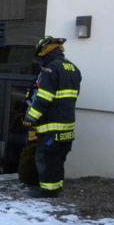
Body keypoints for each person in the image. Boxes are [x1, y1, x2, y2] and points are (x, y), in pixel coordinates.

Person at [23, 36, 82, 197]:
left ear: (46, 52)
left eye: (40, 56)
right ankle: (56, 188)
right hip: (67, 126)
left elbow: (44, 98)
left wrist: (30, 118)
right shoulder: (74, 69)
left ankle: (48, 191)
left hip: (52, 126)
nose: (40, 61)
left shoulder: (51, 70)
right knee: (58, 159)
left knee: (46, 157)